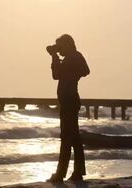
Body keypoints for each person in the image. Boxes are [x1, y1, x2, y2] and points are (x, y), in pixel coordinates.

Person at [46, 34, 90, 182]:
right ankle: (78, 172)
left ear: (67, 44)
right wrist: (57, 58)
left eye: (60, 46)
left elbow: (58, 74)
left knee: (66, 138)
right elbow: (57, 75)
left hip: (69, 100)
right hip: (69, 100)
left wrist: (54, 57)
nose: (59, 49)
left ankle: (60, 174)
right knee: (75, 138)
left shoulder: (73, 57)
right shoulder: (72, 57)